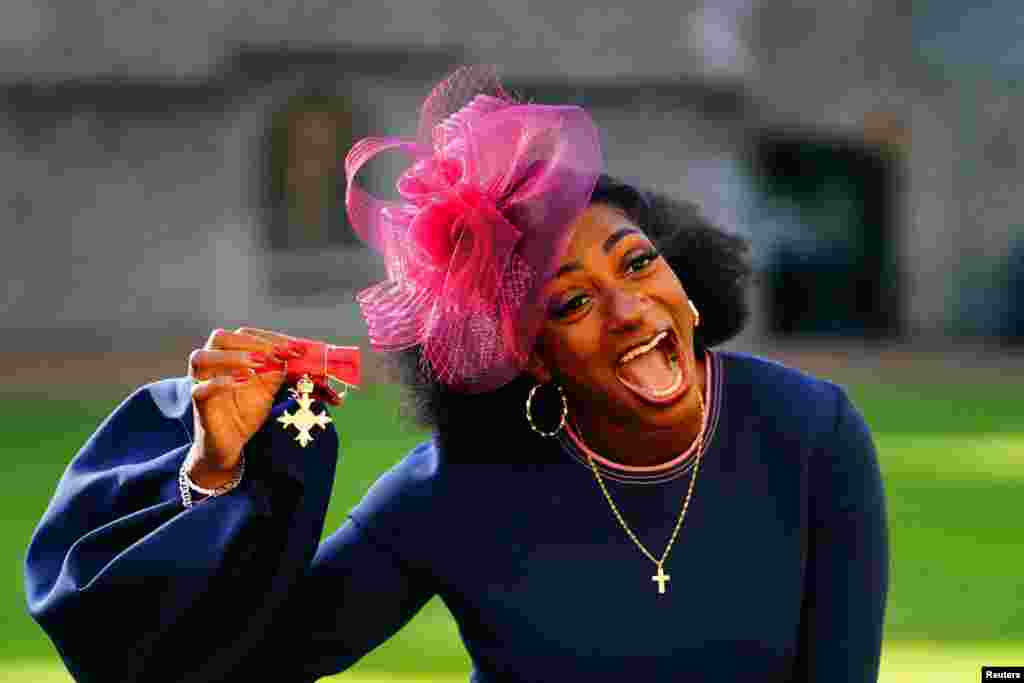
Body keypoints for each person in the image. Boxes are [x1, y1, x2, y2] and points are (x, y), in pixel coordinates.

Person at [24, 67, 889, 682]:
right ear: (525, 356)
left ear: (685, 281)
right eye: (570, 304)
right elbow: (239, 665)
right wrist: (212, 472)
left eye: (637, 263)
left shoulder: (813, 434)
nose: (631, 309)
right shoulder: (455, 490)